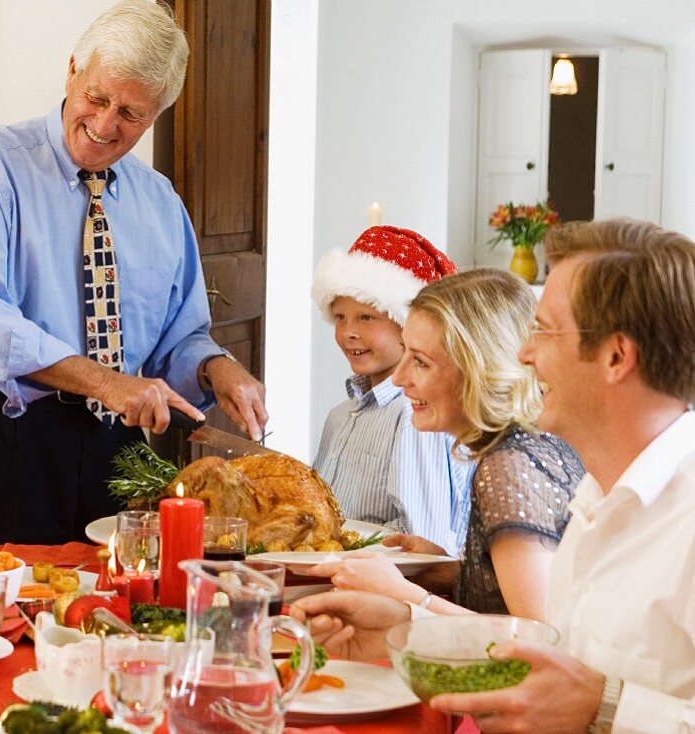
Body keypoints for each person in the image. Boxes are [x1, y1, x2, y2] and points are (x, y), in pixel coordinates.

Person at [291, 219, 695, 733]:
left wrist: (606, 708)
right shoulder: (598, 496)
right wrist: (408, 625)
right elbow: (551, 654)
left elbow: (582, 691)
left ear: (616, 356)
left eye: (544, 330)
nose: (523, 354)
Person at [0, 0, 267, 550]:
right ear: (72, 70)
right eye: (96, 97)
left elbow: (179, 338)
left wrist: (216, 369)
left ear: (156, 114)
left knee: (111, 609)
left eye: (132, 113)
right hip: (7, 439)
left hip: (119, 451)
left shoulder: (160, 203)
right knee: (4, 615)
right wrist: (106, 382)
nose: (105, 124)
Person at [306, 268, 584, 619]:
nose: (401, 378)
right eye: (405, 352)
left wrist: (404, 593)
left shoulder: (510, 466)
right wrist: (444, 568)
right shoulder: (518, 446)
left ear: (476, 369)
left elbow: (538, 641)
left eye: (420, 362)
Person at [310, 225, 472, 554]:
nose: (348, 333)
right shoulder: (339, 417)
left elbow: (425, 542)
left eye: (366, 318)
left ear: (408, 326)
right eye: (340, 317)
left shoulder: (416, 416)